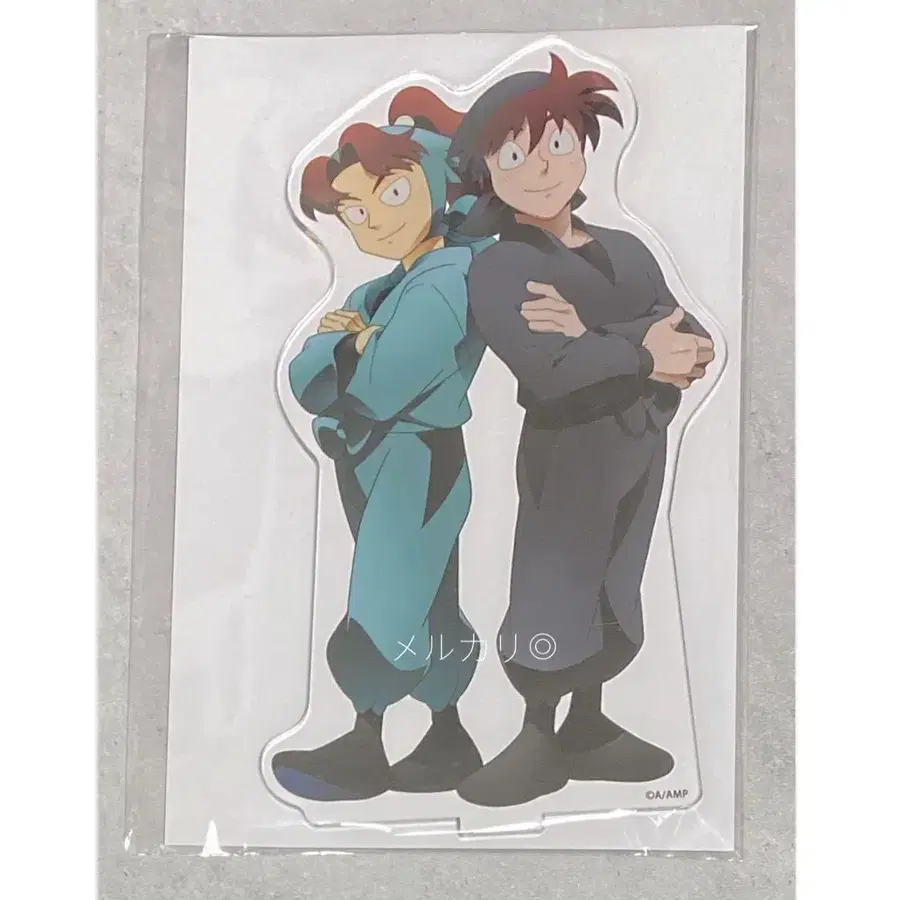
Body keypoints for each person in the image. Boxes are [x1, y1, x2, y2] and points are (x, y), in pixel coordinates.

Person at [448, 53, 716, 807]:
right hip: (566, 454)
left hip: (640, 444)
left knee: (617, 579)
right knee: (554, 581)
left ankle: (588, 726)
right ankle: (538, 732)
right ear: (486, 173)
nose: (541, 168)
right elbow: (550, 369)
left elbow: (694, 342)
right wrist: (641, 350)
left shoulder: (627, 249)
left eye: (558, 144)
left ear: (584, 148)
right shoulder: (500, 268)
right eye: (514, 155)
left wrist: (605, 339)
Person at [271, 88, 494, 801]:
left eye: (392, 194)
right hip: (376, 457)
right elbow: (306, 375)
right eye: (355, 211)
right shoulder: (383, 288)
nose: (373, 222)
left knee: (389, 591)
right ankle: (448, 736)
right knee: (426, 596)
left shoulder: (449, 278)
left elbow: (385, 380)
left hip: (416, 457)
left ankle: (364, 743)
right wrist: (351, 343)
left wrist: (351, 354)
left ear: (438, 183)